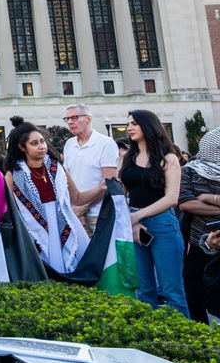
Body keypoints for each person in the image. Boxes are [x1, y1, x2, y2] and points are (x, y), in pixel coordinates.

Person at [4, 120, 101, 273]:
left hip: (64, 221)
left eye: (42, 141)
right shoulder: (13, 174)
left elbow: (77, 197)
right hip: (33, 228)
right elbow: (8, 208)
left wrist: (102, 188)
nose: (41, 146)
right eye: (34, 143)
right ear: (22, 147)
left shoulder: (57, 168)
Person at [121, 110, 188, 316]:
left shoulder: (168, 159)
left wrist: (136, 217)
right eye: (128, 124)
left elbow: (171, 199)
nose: (129, 128)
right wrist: (131, 221)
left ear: (148, 126)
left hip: (162, 224)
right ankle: (151, 339)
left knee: (171, 290)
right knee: (143, 289)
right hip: (133, 224)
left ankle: (184, 341)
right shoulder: (126, 159)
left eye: (135, 124)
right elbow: (120, 195)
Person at [178, 127, 220, 322]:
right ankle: (201, 332)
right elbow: (186, 203)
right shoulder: (190, 170)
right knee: (194, 287)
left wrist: (207, 197)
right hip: (197, 241)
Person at [61, 103, 120, 236]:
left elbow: (108, 183)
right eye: (67, 119)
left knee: (103, 256)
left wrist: (83, 208)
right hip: (75, 214)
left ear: (88, 118)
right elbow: (67, 181)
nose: (70, 122)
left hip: (98, 214)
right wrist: (73, 209)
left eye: (75, 117)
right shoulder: (69, 144)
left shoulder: (106, 143)